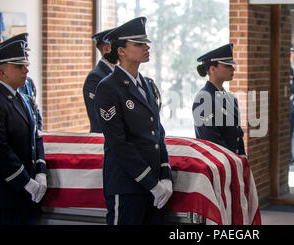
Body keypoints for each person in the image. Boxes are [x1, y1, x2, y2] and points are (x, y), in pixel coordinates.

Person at [94, 17, 173, 225]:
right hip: (127, 185)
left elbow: (158, 133)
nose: (146, 47)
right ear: (121, 51)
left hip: (154, 185)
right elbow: (118, 143)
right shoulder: (108, 87)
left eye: (146, 43)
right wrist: (151, 182)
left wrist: (165, 174)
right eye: (139, 44)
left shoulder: (147, 85)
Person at [0, 40, 47, 225]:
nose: (26, 70)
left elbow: (36, 138)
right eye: (19, 66)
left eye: (25, 65)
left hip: (29, 195)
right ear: (2, 73)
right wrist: (25, 182)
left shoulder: (25, 100)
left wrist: (40, 172)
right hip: (6, 194)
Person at [192, 43, 246, 157]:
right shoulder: (203, 99)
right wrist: (233, 160)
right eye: (227, 66)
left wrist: (242, 159)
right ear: (212, 69)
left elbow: (237, 135)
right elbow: (210, 140)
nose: (233, 69)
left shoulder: (230, 98)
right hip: (219, 164)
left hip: (234, 163)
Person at [0, 33, 43, 131]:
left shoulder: (28, 82)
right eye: (18, 65)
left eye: (25, 52)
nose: (26, 55)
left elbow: (35, 114)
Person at [83, 28, 116, 133]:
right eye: (119, 47)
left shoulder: (118, 74)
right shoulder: (96, 77)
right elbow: (100, 120)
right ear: (106, 49)